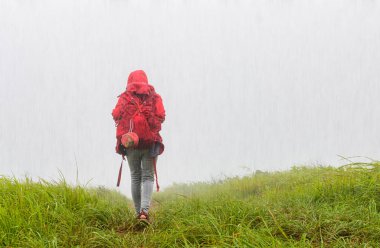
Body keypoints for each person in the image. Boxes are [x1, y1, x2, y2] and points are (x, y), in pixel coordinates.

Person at [112, 70, 165, 222]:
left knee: (135, 177)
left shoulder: (125, 97)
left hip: (130, 144)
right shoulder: (154, 97)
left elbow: (116, 114)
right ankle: (144, 212)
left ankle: (137, 213)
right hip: (149, 143)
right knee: (148, 176)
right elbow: (161, 116)